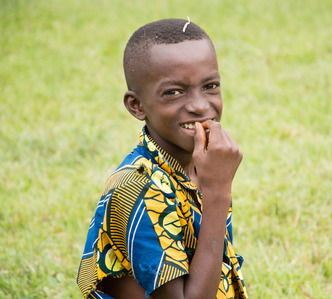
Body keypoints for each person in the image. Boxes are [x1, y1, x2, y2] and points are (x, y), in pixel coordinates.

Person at [76, 18, 248, 299]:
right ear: (137, 105)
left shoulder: (201, 164)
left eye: (210, 86)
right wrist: (217, 193)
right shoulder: (139, 187)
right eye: (173, 92)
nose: (200, 105)